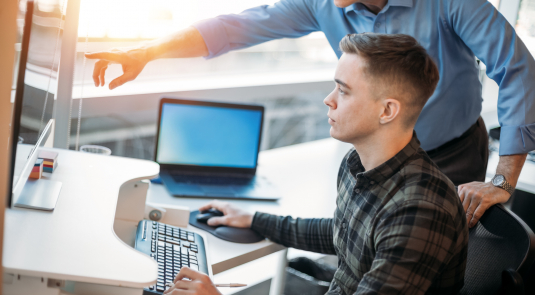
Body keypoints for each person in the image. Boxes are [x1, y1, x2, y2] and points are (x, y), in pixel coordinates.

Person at [85, 0, 535, 228]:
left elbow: (518, 71)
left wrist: (502, 180)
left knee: (419, 265)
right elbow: (236, 27)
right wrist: (148, 52)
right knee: (357, 242)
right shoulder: (322, 3)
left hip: (450, 154)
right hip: (376, 154)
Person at [162, 33, 468, 295]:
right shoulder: (357, 164)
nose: (328, 100)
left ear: (387, 110)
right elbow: (342, 233)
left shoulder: (419, 210)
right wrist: (255, 219)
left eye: (343, 90)